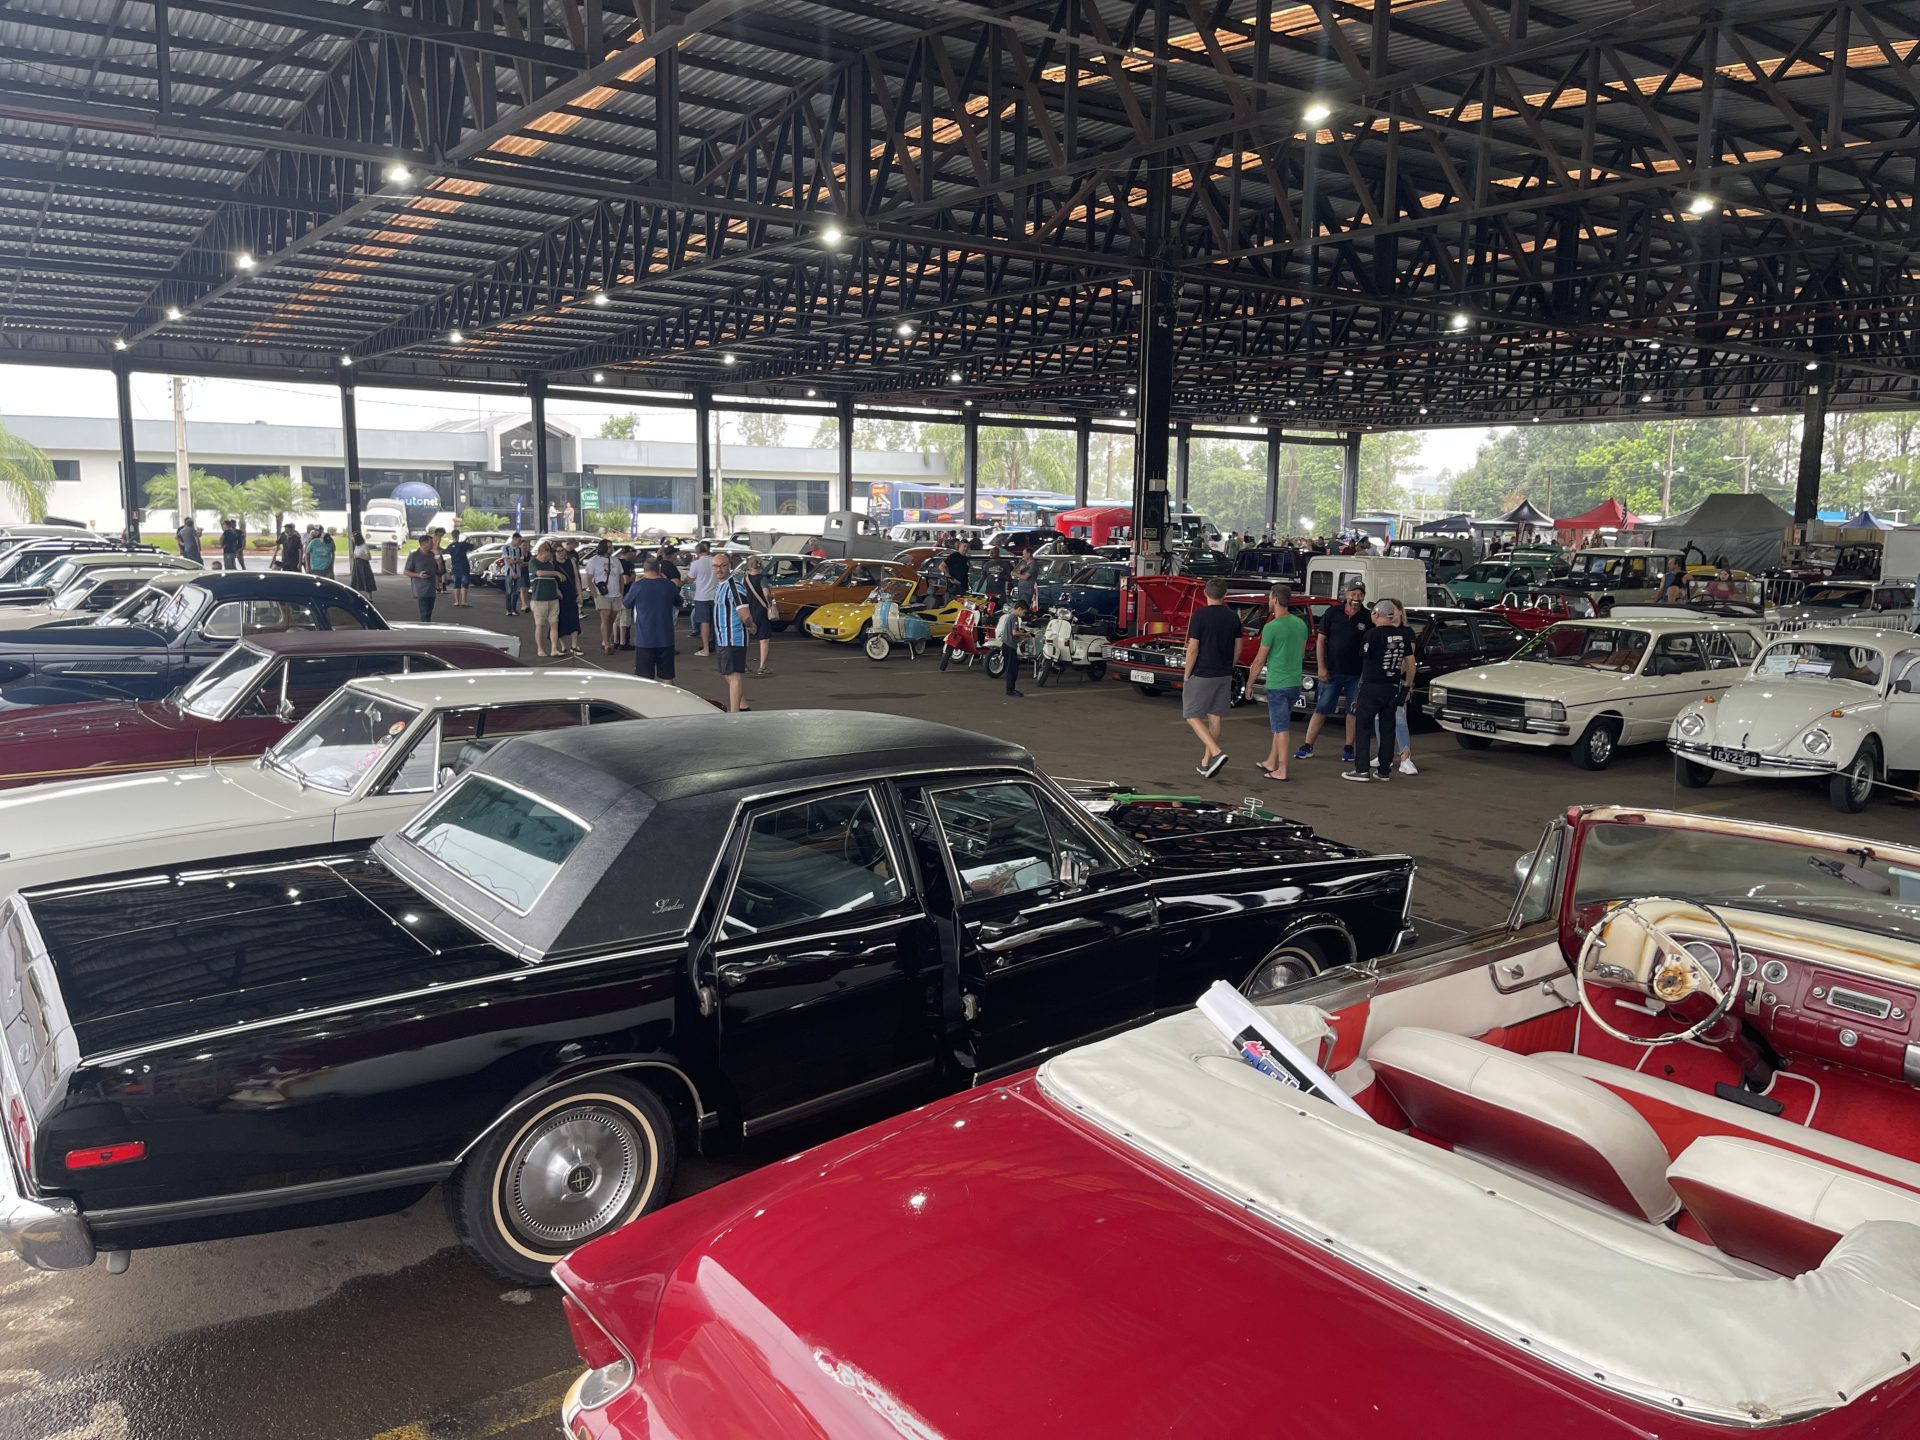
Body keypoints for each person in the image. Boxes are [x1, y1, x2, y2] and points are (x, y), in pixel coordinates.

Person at [1296, 582, 1370, 763]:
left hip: (1356, 674)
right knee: (1322, 708)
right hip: (1332, 672)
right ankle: (1307, 745)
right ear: (1346, 594)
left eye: (1360, 594)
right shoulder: (1333, 613)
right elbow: (1321, 641)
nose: (1356, 597)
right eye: (1353, 593)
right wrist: (1321, 667)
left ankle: (1348, 748)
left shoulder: (1368, 617)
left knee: (1353, 711)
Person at [1346, 598, 1417, 783]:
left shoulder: (1371, 635)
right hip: (1392, 687)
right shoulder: (1402, 636)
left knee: (1363, 727)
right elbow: (1411, 664)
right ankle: (1384, 770)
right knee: (1388, 727)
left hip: (1371, 686)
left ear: (1376, 614)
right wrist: (1407, 686)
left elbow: (1365, 662)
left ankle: (1362, 770)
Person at [1246, 584, 1308, 780]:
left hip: (1278, 683)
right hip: (1294, 682)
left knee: (1281, 728)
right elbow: (1302, 652)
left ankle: (1282, 769)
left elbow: (1259, 659)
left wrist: (1250, 683)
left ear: (1275, 600)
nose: (1268, 601)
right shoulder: (1300, 624)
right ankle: (1271, 761)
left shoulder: (1271, 627)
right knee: (1280, 723)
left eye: (1270, 598)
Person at [1183, 577, 1241, 778]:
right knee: (1215, 717)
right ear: (1225, 594)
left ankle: (1216, 753)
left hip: (1202, 673)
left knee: (1192, 716)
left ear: (1205, 593)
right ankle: (1206, 763)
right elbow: (1238, 648)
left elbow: (1193, 649)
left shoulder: (1200, 616)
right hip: (1224, 674)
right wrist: (1229, 666)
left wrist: (1187, 673)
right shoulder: (1233, 617)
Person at [623, 555, 680, 680]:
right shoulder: (669, 585)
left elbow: (626, 603)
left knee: (645, 678)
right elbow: (679, 602)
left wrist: (635, 583)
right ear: (659, 570)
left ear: (644, 570)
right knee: (667, 676)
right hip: (666, 637)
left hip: (645, 638)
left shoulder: (638, 586)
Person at [710, 550, 750, 712]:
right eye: (715, 566)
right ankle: (743, 707)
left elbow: (744, 614)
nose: (718, 569)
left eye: (722, 566)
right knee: (727, 674)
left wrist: (751, 625)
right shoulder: (721, 586)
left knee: (733, 675)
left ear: (730, 566)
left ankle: (735, 715)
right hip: (722, 638)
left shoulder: (735, 587)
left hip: (734, 637)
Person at [738, 554, 774, 675]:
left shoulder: (745, 579)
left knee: (746, 639)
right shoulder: (762, 578)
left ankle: (743, 664)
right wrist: (770, 604)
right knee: (763, 639)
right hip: (761, 611)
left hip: (748, 611)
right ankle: (762, 667)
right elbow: (766, 594)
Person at [528, 541, 564, 658]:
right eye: (549, 554)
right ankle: (540, 648)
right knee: (540, 625)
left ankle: (554, 649)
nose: (550, 557)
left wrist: (557, 590)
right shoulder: (533, 562)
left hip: (552, 598)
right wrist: (556, 573)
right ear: (543, 552)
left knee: (554, 624)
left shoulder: (550, 564)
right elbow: (539, 573)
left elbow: (552, 580)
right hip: (539, 599)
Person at [555, 539, 584, 657]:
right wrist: (556, 591)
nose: (561, 553)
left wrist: (580, 593)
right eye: (558, 551)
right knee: (559, 620)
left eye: (562, 550)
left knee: (573, 619)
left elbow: (576, 578)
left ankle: (574, 645)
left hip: (571, 593)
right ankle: (563, 646)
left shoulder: (570, 562)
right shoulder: (552, 565)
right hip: (559, 596)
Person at [688, 541, 716, 655]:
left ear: (697, 552)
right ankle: (716, 644)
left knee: (704, 622)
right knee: (715, 622)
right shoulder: (715, 561)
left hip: (701, 597)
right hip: (716, 595)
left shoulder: (696, 563)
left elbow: (690, 579)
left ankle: (706, 648)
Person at [995, 596, 1027, 698]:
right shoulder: (1014, 618)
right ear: (1019, 609)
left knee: (1012, 668)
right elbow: (1014, 632)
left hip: (1007, 645)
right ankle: (1010, 690)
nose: (1024, 615)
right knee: (1012, 669)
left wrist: (1022, 637)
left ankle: (1011, 688)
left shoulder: (1009, 617)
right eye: (1024, 612)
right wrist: (1025, 634)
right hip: (1009, 647)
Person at [404, 533, 438, 621]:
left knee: (429, 613)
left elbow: (440, 570)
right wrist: (418, 575)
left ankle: (426, 626)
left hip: (431, 588)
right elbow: (406, 571)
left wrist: (438, 558)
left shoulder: (433, 555)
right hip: (421, 589)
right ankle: (425, 627)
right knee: (425, 613)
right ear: (424, 544)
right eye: (431, 543)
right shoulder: (414, 556)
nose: (433, 545)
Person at [502, 532, 528, 616]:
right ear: (514, 539)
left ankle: (514, 609)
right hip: (509, 572)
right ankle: (508, 609)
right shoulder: (506, 547)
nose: (520, 542)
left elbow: (521, 560)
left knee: (516, 591)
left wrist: (514, 561)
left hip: (518, 572)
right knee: (509, 591)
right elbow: (507, 561)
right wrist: (512, 570)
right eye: (519, 540)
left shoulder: (519, 549)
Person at [447, 529, 473, 607]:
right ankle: (464, 601)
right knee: (464, 583)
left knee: (456, 584)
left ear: (452, 536)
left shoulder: (450, 546)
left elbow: (447, 552)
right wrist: (471, 540)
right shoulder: (463, 544)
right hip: (464, 566)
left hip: (455, 566)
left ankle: (457, 601)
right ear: (459, 535)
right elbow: (472, 546)